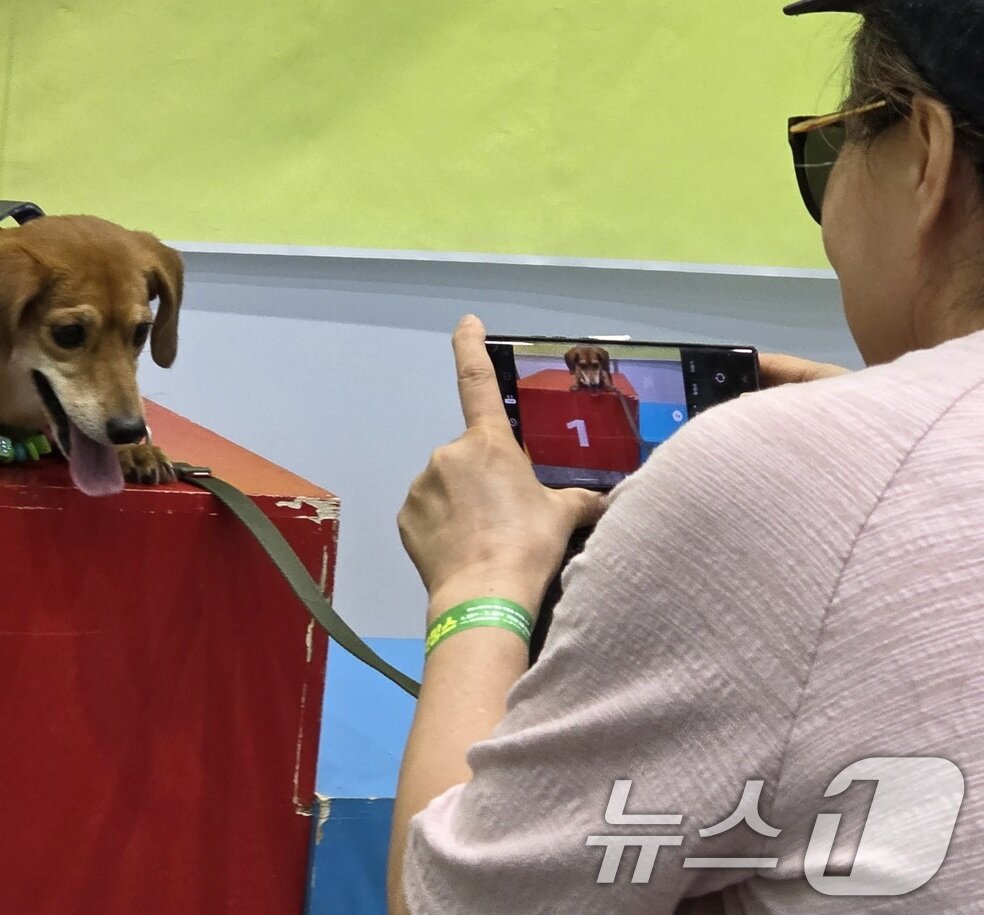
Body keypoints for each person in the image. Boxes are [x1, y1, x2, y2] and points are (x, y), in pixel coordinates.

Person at [388, 1, 984, 912]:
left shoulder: (780, 482)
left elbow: (450, 901)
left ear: (928, 159)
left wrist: (479, 583)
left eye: (824, 154)